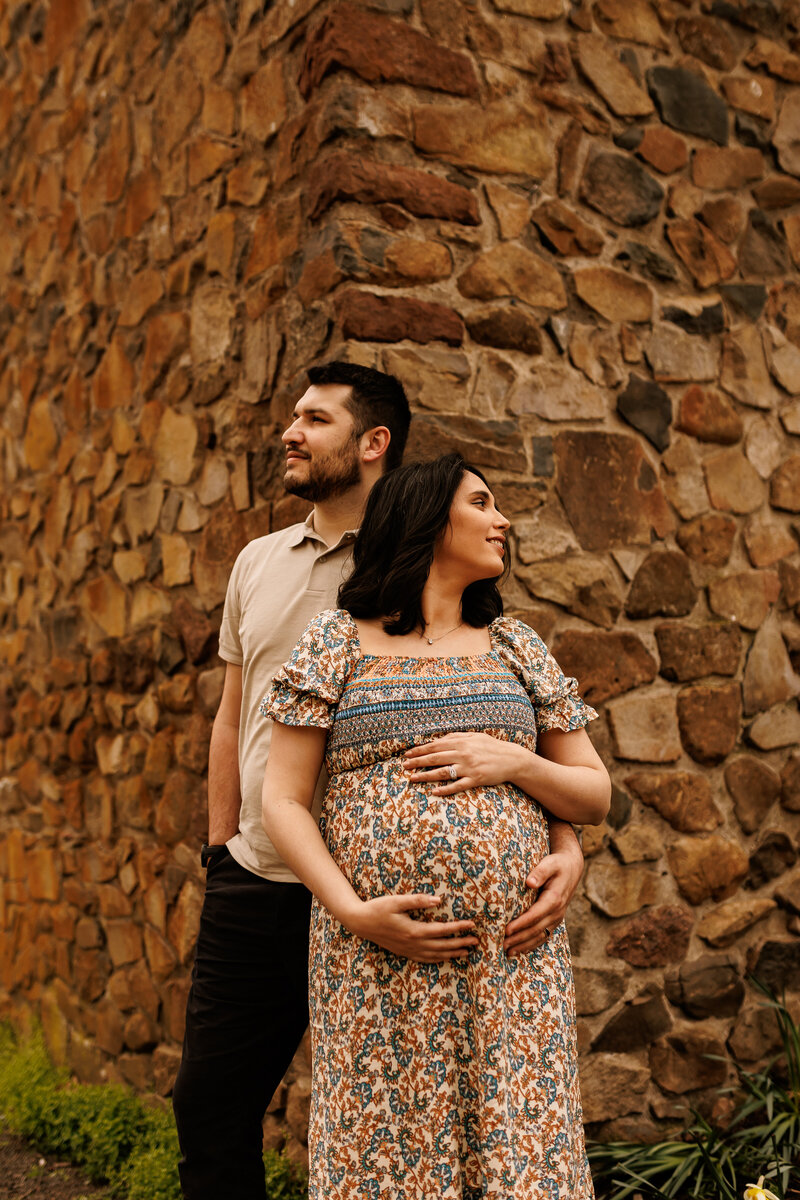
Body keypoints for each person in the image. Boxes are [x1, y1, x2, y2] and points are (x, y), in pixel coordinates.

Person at [172, 363, 586, 1200]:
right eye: (294, 417)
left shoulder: (441, 569)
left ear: (373, 443)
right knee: (212, 1106)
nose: (290, 433)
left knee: (441, 1114)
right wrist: (222, 845)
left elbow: (519, 735)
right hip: (263, 875)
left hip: (410, 908)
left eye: (313, 420)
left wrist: (564, 844)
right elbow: (232, 713)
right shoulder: (259, 562)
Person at [261, 454, 611, 1199]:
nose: (502, 519)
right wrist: (354, 913)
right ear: (426, 517)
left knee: (516, 1148)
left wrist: (513, 765)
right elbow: (283, 801)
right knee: (388, 1156)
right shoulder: (337, 643)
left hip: (512, 963)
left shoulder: (518, 647)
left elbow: (591, 793)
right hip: (378, 962)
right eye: (482, 503)